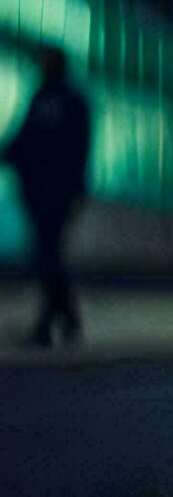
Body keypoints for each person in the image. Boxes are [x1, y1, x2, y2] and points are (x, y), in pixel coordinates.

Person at [2, 45, 91, 347]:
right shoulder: (47, 97)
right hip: (43, 190)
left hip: (53, 191)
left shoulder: (62, 100)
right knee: (47, 254)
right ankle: (65, 319)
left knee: (48, 255)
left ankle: (51, 322)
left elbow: (73, 149)